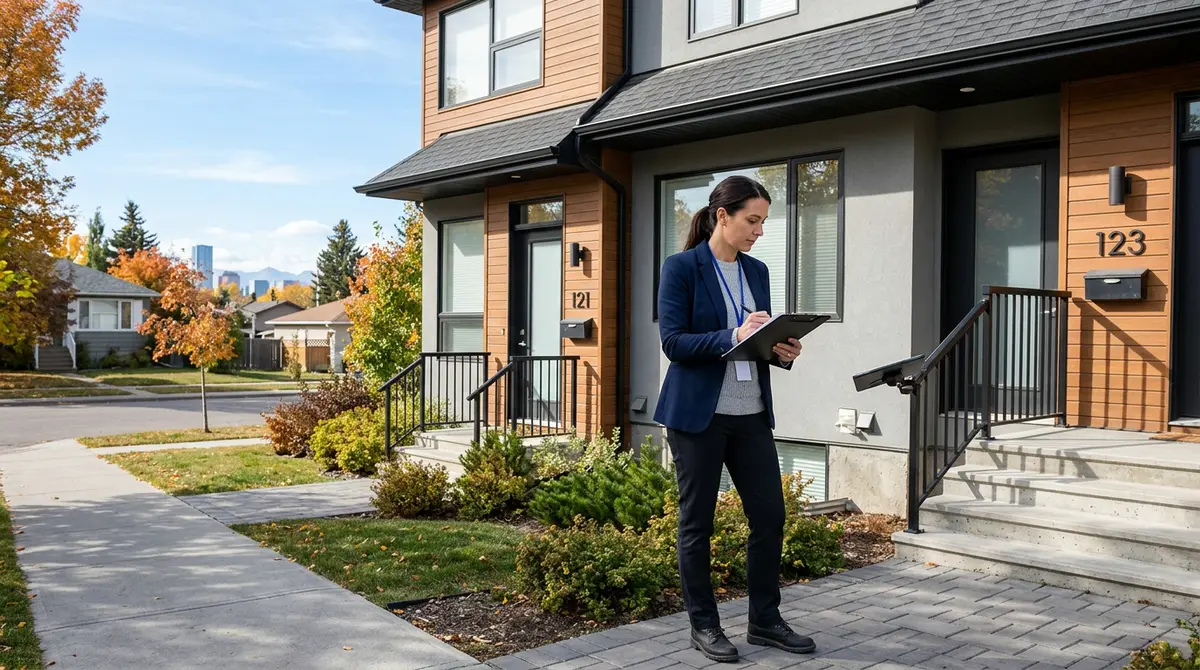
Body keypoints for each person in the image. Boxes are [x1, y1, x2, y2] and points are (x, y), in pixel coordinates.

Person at [654, 175, 811, 662]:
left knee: (769, 516)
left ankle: (765, 620)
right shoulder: (681, 267)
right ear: (723, 216)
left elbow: (755, 341)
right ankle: (704, 625)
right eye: (752, 220)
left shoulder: (757, 271)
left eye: (763, 221)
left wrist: (782, 350)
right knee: (696, 524)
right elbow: (673, 343)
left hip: (750, 414)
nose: (759, 230)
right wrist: (731, 334)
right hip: (699, 416)